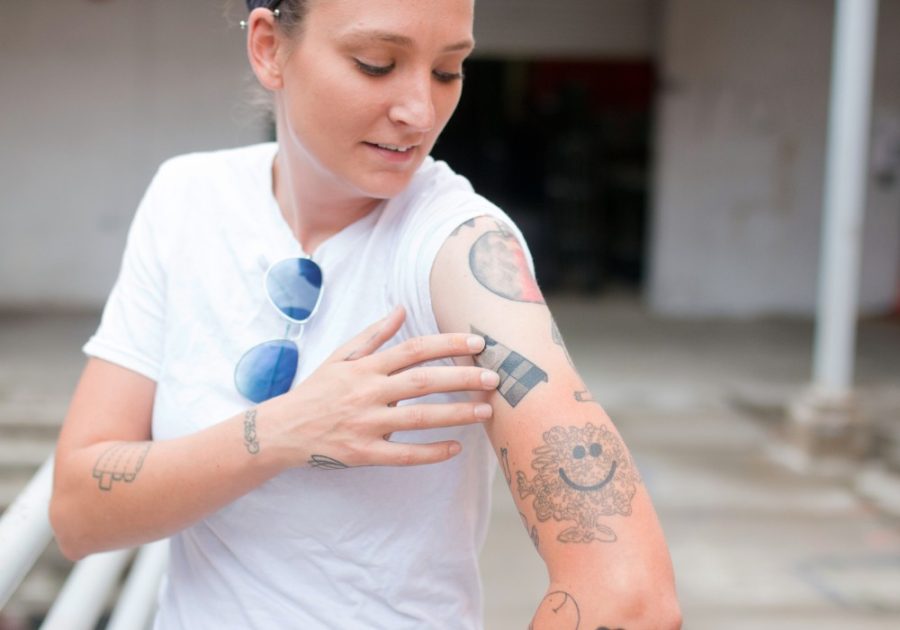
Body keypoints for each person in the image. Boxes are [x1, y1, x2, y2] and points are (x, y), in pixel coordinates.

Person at [49, 0, 681, 628]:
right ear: (269, 46)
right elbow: (77, 513)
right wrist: (281, 433)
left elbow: (628, 598)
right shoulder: (188, 199)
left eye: (447, 71)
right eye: (377, 64)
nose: (420, 112)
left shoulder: (458, 245)